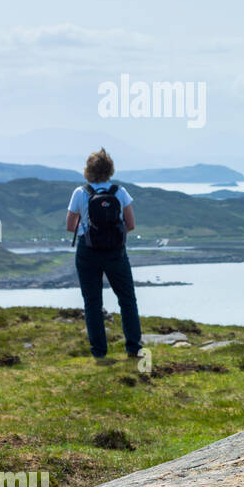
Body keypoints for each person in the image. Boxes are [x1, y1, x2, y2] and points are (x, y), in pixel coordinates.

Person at [65, 149, 142, 360]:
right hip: (116, 253)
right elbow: (131, 225)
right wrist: (113, 235)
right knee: (127, 300)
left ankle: (99, 353)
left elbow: (70, 226)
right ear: (110, 170)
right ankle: (134, 348)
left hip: (87, 252)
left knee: (92, 303)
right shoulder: (120, 192)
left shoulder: (80, 193)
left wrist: (88, 230)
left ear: (88, 170)